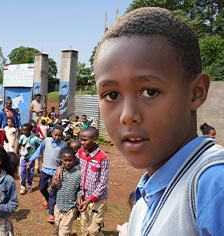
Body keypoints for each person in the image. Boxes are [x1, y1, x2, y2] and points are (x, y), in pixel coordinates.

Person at [94, 7, 224, 235]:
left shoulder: (214, 186)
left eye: (150, 92)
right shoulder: (146, 195)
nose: (127, 115)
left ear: (196, 93)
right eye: (112, 95)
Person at [27, 126, 66, 223]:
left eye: (59, 135)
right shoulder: (46, 141)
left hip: (56, 171)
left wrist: (62, 168)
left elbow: (64, 158)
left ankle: (51, 213)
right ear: (52, 134)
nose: (57, 137)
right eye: (55, 135)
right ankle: (48, 200)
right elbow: (39, 151)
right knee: (42, 188)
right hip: (45, 169)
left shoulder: (64, 145)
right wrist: (31, 160)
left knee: (53, 191)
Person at [76, 127, 109, 236]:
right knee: (84, 228)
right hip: (83, 197)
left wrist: (89, 200)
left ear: (94, 139)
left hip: (97, 199)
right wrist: (79, 194)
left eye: (85, 140)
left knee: (93, 230)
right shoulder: (80, 152)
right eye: (81, 139)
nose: (82, 142)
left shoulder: (103, 158)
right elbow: (74, 168)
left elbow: (103, 183)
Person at [51, 147, 81, 236]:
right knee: (56, 230)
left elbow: (80, 189)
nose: (68, 163)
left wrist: (79, 196)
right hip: (58, 207)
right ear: (61, 159)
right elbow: (52, 188)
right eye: (65, 160)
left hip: (70, 209)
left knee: (63, 232)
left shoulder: (78, 174)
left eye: (70, 160)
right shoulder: (58, 173)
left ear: (74, 159)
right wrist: (53, 185)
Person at [17, 123, 41, 195]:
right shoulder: (22, 137)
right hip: (23, 157)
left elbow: (39, 146)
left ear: (30, 130)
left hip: (31, 158)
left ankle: (30, 184)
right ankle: (23, 185)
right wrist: (17, 153)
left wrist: (36, 154)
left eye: (26, 130)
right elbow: (19, 144)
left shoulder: (35, 138)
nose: (24, 132)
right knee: (22, 171)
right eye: (23, 130)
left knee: (30, 172)